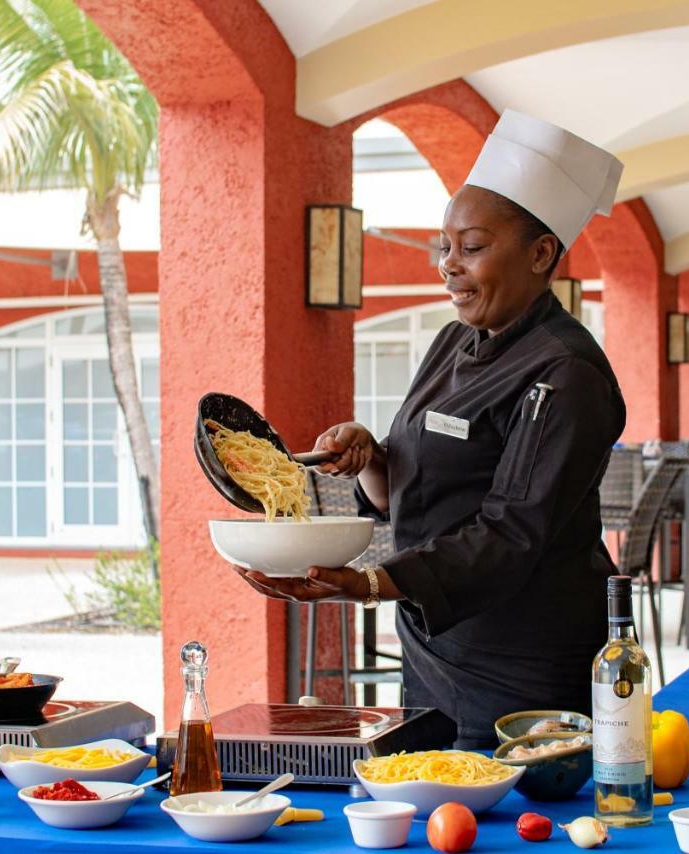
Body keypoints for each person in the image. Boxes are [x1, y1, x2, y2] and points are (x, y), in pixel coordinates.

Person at [237, 111, 627, 748]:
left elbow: (511, 534)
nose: (448, 265)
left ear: (541, 253)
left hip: (522, 665)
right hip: (431, 644)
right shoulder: (452, 341)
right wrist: (370, 458)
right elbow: (414, 492)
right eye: (444, 246)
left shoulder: (567, 373)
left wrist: (368, 583)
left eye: (471, 248)